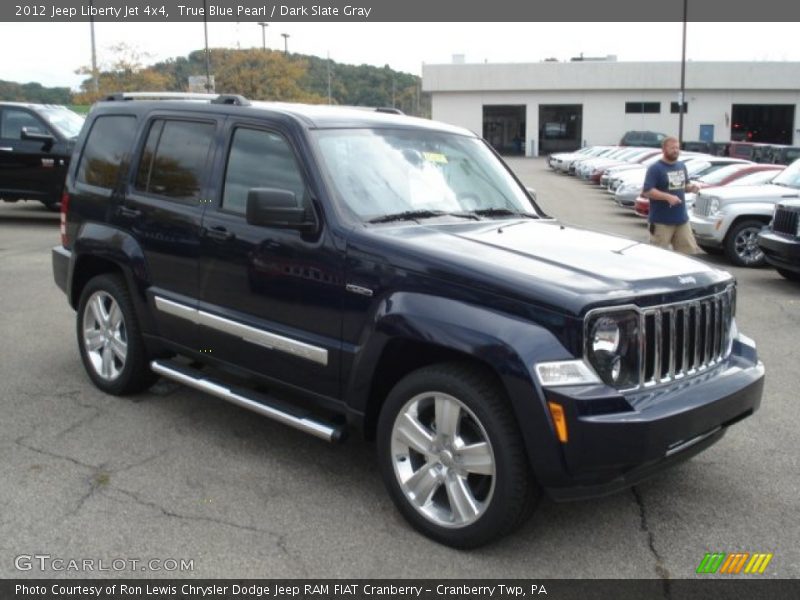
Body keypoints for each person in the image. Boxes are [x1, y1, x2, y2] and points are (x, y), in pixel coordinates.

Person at [642, 136, 701, 254]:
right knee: (657, 256)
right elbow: (647, 191)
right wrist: (667, 197)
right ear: (663, 149)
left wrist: (691, 188)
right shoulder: (655, 168)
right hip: (661, 222)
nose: (675, 150)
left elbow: (683, 186)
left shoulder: (681, 166)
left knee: (689, 254)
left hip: (681, 220)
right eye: (672, 148)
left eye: (677, 148)